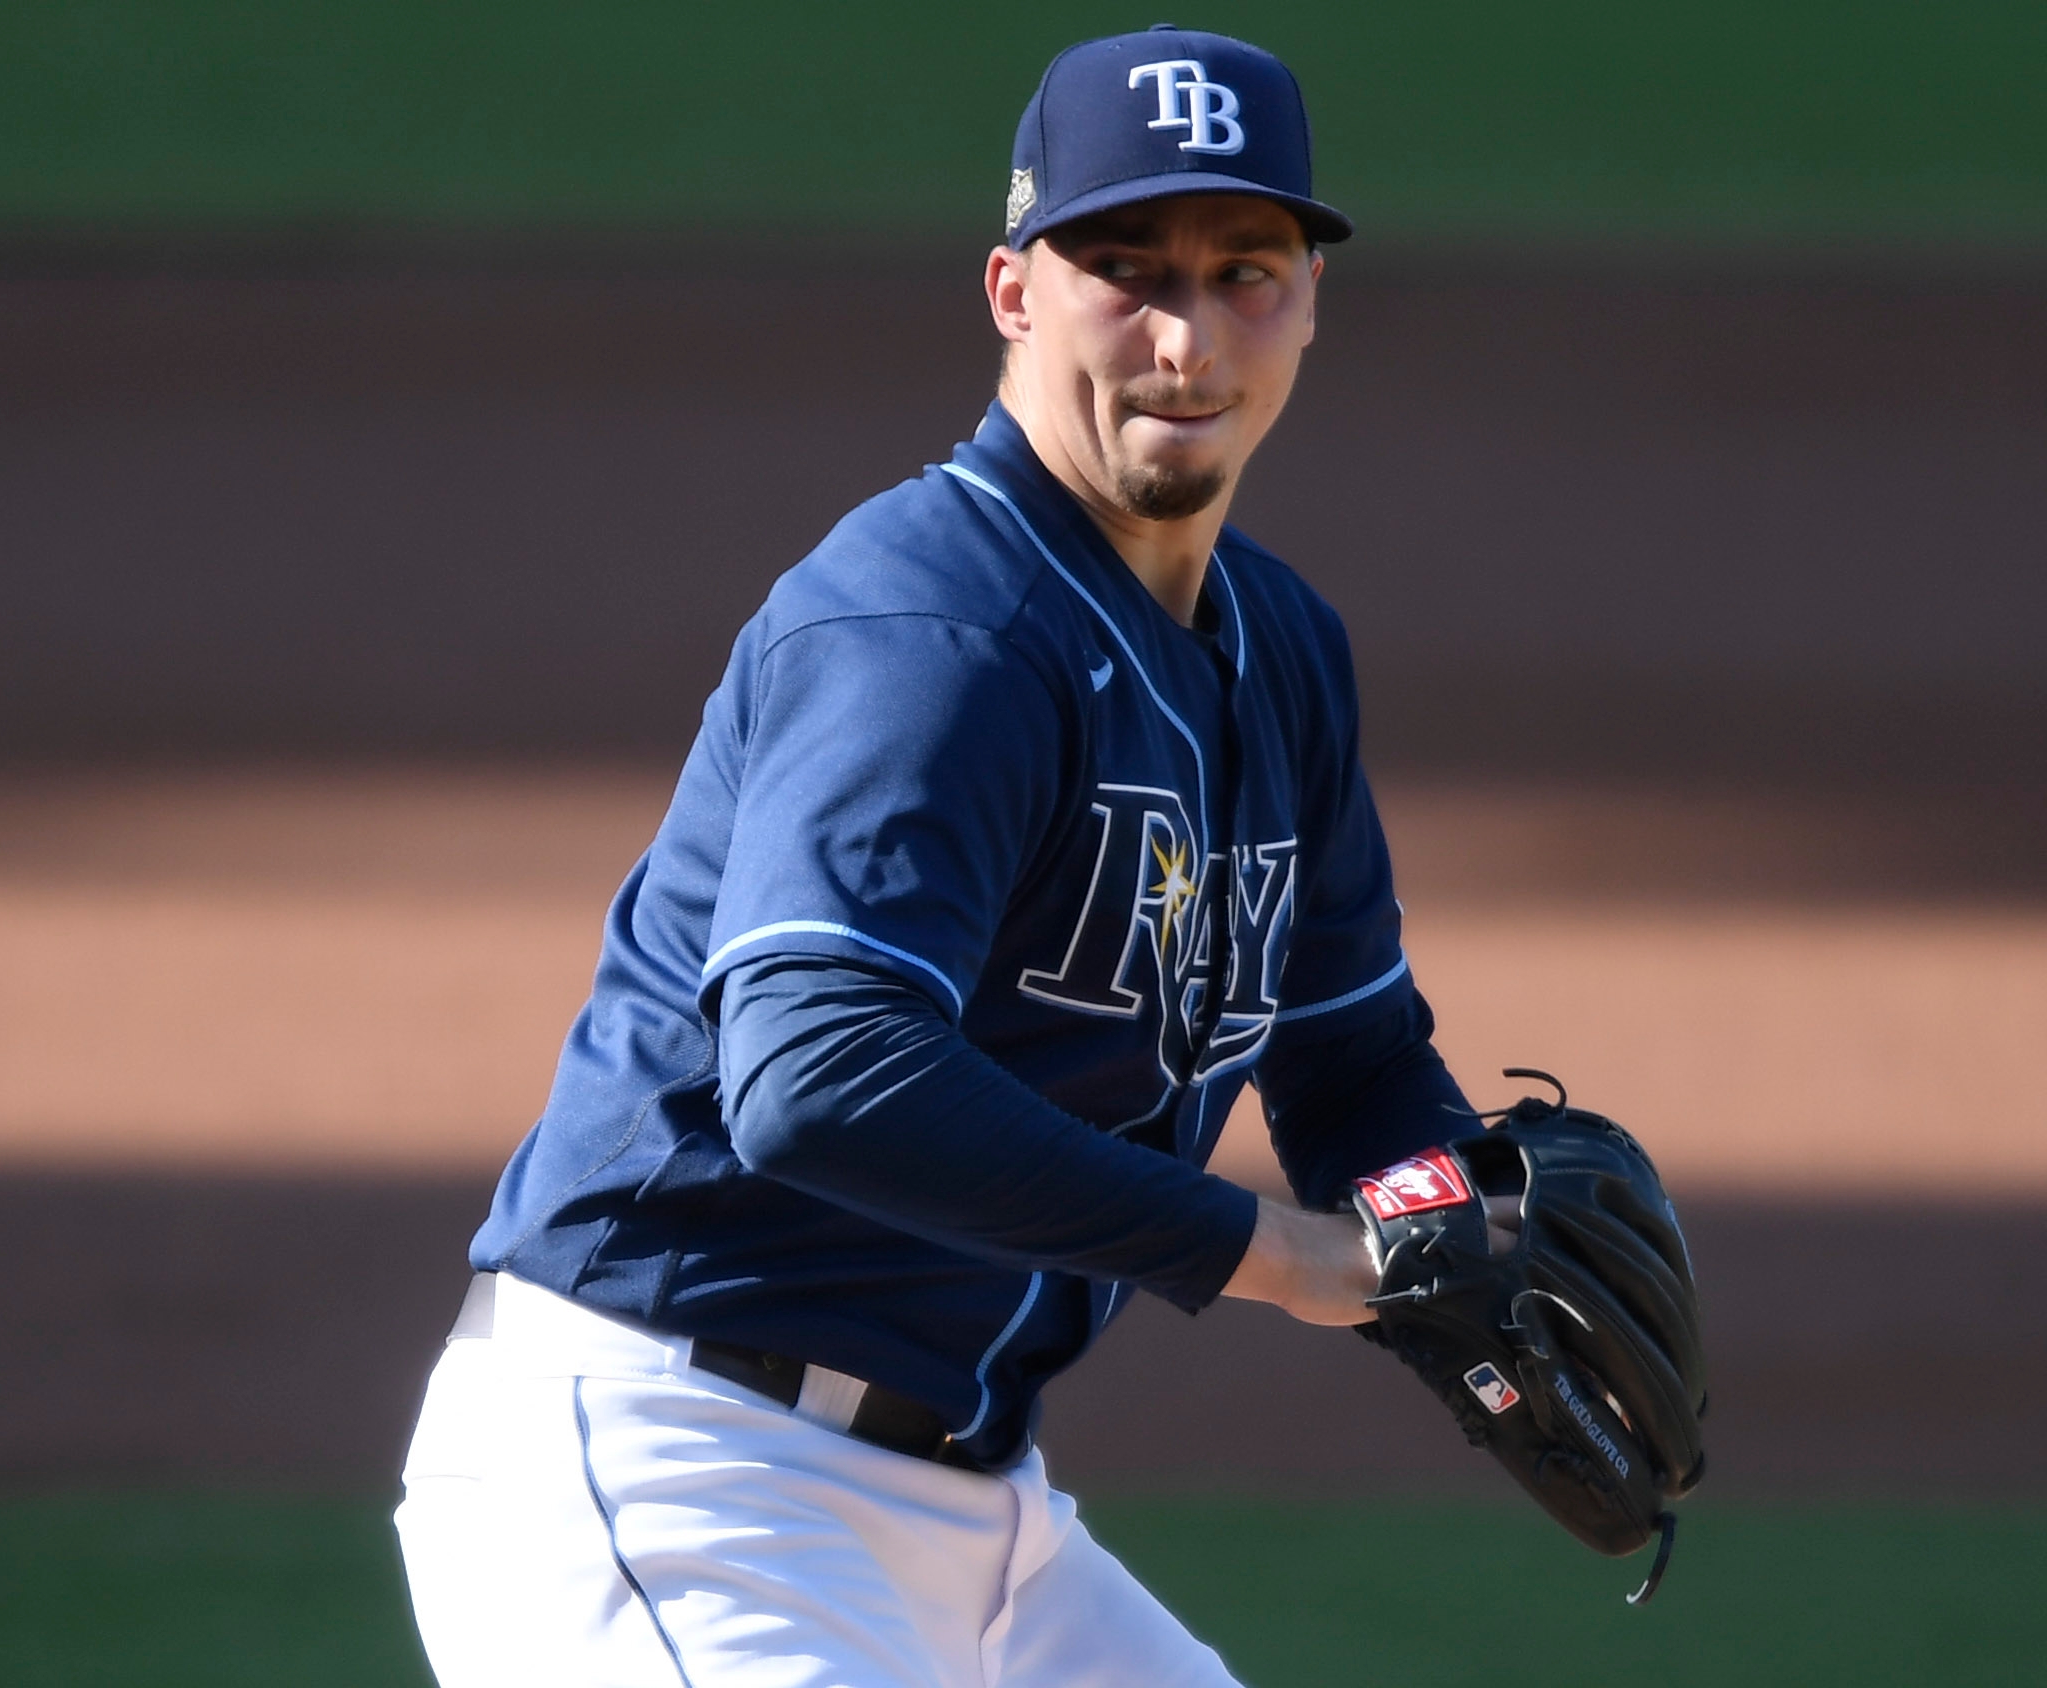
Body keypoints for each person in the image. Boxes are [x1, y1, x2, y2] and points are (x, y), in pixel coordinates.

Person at [395, 26, 1512, 1686]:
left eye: (1245, 273)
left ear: (1307, 303)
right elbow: (818, 1072)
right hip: (678, 1467)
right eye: (1122, 270)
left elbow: (1349, 1055)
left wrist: (1453, 1247)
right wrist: (1282, 1257)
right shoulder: (936, 630)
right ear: (1011, 293)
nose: (1184, 336)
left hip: (973, 1515)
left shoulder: (1282, 647)